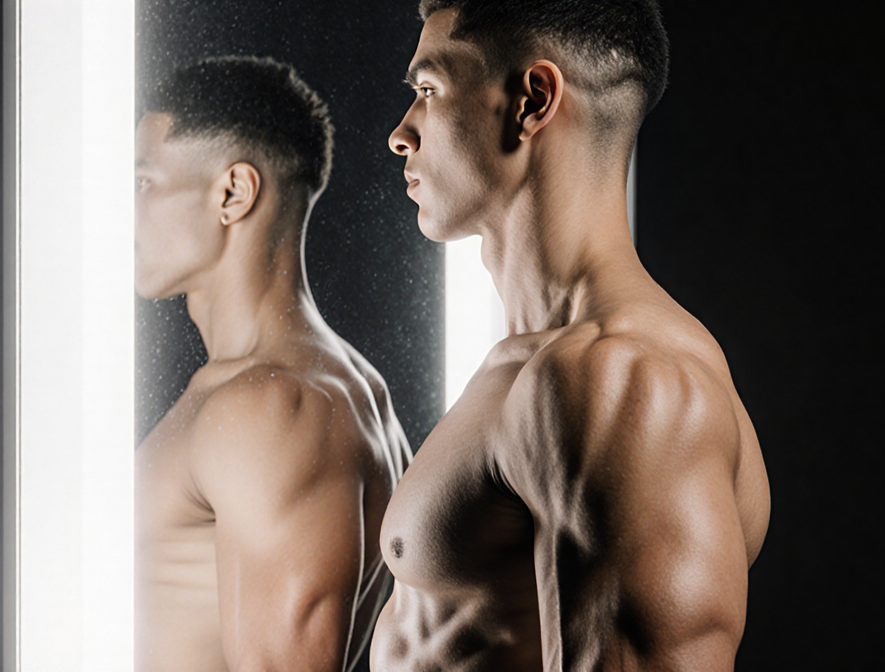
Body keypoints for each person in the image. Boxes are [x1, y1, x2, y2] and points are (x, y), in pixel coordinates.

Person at [372, 2, 770, 670]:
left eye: (429, 90)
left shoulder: (625, 383)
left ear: (531, 101)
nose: (400, 134)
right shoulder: (536, 365)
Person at [134, 56, 411, 672]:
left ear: (232, 192)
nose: (124, 213)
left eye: (144, 182)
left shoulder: (273, 406)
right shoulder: (333, 387)